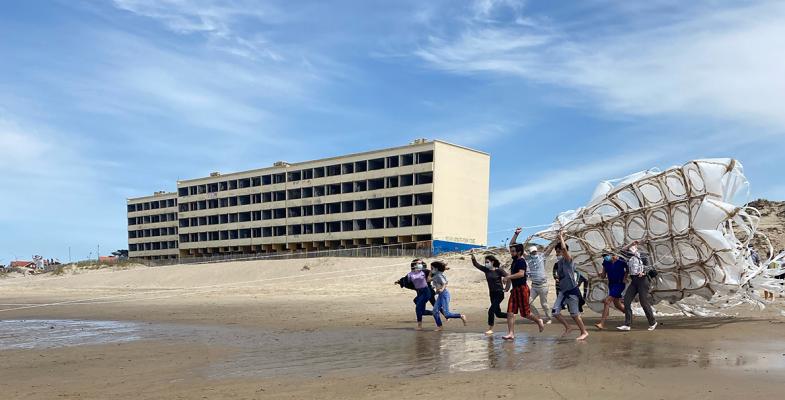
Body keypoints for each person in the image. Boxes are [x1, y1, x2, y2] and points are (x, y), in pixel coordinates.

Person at [501, 238, 545, 340]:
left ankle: (538, 321)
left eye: (513, 251)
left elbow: (521, 274)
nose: (511, 253)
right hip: (515, 290)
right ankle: (511, 333)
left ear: (519, 252)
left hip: (522, 289)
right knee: (510, 312)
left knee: (525, 314)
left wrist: (508, 277)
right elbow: (511, 244)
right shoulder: (514, 261)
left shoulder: (521, 261)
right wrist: (507, 288)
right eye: (511, 251)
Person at [550, 232, 589, 341]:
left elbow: (564, 250)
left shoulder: (568, 260)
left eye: (559, 251)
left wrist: (561, 237)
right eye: (556, 252)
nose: (557, 253)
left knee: (574, 315)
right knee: (555, 312)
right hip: (563, 291)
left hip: (572, 291)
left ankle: (584, 332)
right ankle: (568, 327)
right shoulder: (559, 264)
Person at [510, 228, 551, 324]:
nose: (534, 253)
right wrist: (516, 234)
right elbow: (513, 244)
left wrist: (559, 237)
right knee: (528, 302)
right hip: (534, 286)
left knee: (544, 304)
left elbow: (551, 247)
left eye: (535, 252)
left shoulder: (542, 257)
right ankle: (538, 317)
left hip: (543, 285)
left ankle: (549, 318)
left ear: (537, 251)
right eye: (532, 252)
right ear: (529, 252)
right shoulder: (528, 258)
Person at [618, 241, 657, 331]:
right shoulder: (628, 256)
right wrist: (630, 244)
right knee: (627, 301)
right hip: (634, 281)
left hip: (643, 280)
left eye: (633, 247)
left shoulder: (643, 255)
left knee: (643, 302)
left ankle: (653, 322)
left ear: (637, 247)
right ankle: (627, 325)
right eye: (630, 247)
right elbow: (622, 250)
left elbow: (649, 267)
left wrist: (643, 272)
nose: (630, 248)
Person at [471, 251, 510, 335]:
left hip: (499, 293)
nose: (486, 264)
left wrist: (506, 288)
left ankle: (490, 329)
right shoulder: (486, 270)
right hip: (492, 294)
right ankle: (510, 316)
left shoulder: (499, 270)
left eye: (487, 262)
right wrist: (473, 256)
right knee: (498, 314)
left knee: (491, 311)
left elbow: (508, 277)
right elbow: (476, 264)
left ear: (492, 262)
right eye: (485, 262)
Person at [431, 260, 467, 331]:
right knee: (435, 311)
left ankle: (461, 316)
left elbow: (444, 283)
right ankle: (440, 326)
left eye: (432, 268)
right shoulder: (437, 274)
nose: (431, 270)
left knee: (446, 314)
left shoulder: (438, 275)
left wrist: (441, 289)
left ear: (436, 269)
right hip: (440, 295)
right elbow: (430, 280)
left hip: (444, 294)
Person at [595, 253, 628, 330]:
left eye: (606, 255)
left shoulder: (621, 261)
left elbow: (628, 269)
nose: (605, 257)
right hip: (611, 284)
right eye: (604, 256)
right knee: (617, 304)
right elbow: (603, 276)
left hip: (619, 284)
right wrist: (600, 275)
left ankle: (601, 324)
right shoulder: (606, 262)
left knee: (607, 301)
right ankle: (629, 314)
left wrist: (625, 277)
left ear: (613, 254)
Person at [406, 260, 433, 331]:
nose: (420, 264)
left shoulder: (424, 271)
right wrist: (399, 282)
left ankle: (419, 326)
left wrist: (430, 279)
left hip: (426, 291)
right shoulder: (410, 274)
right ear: (414, 265)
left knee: (418, 308)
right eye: (419, 263)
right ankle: (434, 312)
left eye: (421, 263)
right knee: (422, 310)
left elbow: (435, 273)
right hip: (419, 292)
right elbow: (406, 281)